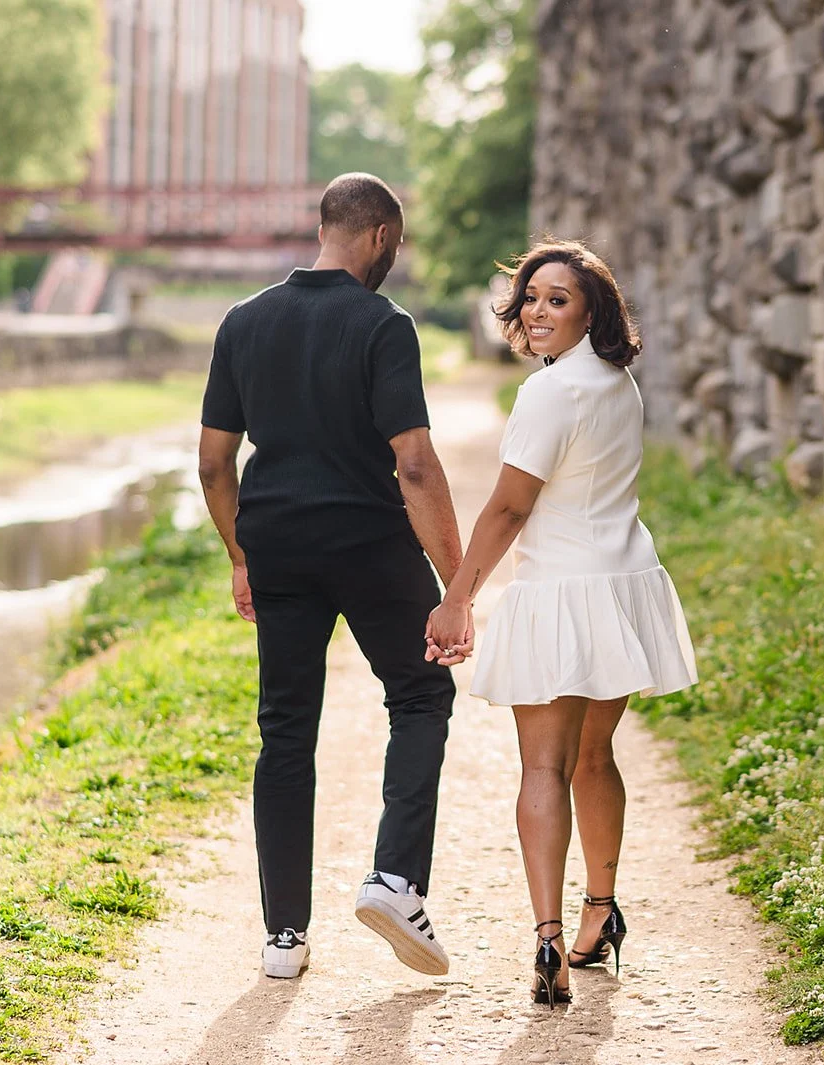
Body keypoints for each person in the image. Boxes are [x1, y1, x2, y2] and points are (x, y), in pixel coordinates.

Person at [197, 173, 468, 981]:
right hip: (370, 544)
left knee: (284, 730)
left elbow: (214, 463)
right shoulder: (385, 324)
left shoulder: (243, 322)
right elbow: (414, 465)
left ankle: (284, 936)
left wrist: (240, 554)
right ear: (380, 236)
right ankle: (393, 879)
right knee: (421, 693)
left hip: (277, 545)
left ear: (327, 227)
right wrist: (456, 585)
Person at [426, 240, 698, 1006]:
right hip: (618, 585)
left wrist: (459, 595)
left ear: (591, 311)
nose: (538, 312)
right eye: (532, 297)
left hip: (559, 592)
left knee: (544, 767)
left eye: (558, 300)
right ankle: (600, 913)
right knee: (595, 758)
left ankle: (547, 935)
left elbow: (511, 506)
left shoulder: (550, 394)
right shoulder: (618, 383)